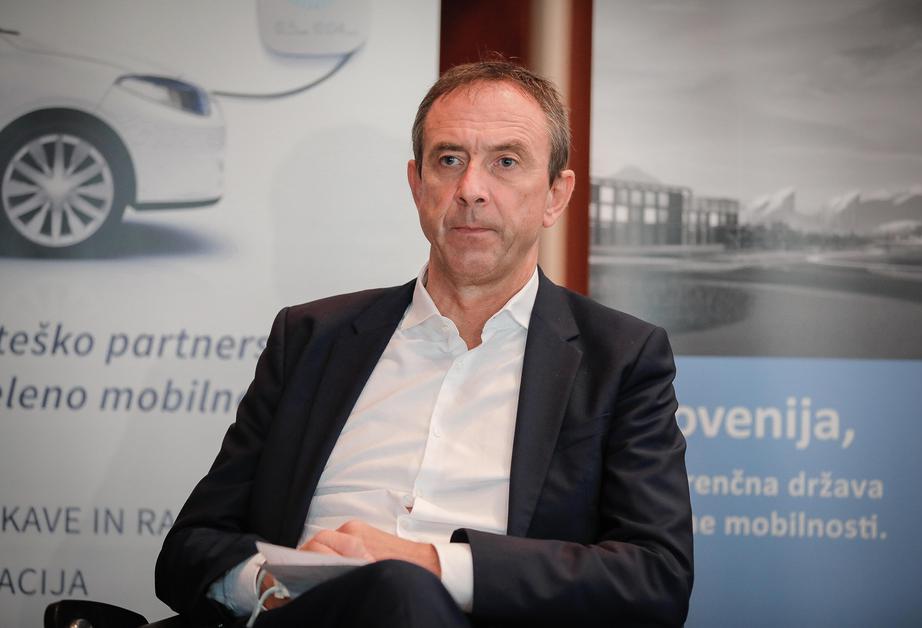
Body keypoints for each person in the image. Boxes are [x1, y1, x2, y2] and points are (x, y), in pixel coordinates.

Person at [155, 60, 693, 628]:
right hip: (298, 617)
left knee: (400, 591)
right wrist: (269, 583)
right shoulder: (311, 339)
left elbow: (655, 578)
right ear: (417, 185)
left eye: (506, 162)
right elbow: (190, 549)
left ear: (556, 195)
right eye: (449, 160)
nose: (471, 191)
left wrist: (431, 565)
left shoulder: (620, 359)